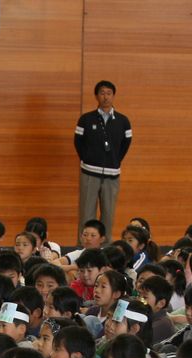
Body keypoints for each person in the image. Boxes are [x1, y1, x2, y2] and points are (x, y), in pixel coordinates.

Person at [74, 80, 132, 240]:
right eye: (102, 93)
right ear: (96, 96)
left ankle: (106, 252)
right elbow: (78, 142)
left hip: (112, 175)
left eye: (109, 93)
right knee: (86, 214)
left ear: (113, 96)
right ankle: (82, 249)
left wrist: (115, 160)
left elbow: (126, 144)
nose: (105, 97)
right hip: (89, 173)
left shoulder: (123, 121)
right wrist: (87, 159)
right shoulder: (86, 119)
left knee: (108, 215)